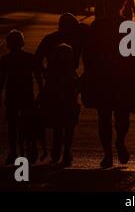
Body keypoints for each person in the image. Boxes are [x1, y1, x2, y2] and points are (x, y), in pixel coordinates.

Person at [84, 0, 135, 169]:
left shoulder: (97, 26)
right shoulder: (128, 26)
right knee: (121, 117)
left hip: (103, 78)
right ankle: (119, 142)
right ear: (123, 5)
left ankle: (108, 153)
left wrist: (88, 75)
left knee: (104, 117)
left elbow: (88, 55)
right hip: (124, 78)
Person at [35, 13, 82, 163]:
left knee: (58, 118)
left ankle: (58, 150)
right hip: (67, 82)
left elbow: (36, 61)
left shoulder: (50, 39)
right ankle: (66, 150)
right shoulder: (75, 40)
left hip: (54, 82)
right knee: (67, 119)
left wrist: (43, 77)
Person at [0, 30, 43, 165]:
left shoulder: (5, 59)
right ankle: (31, 148)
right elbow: (38, 76)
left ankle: (13, 152)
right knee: (29, 124)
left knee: (12, 126)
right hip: (27, 95)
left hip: (12, 95)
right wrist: (41, 91)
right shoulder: (30, 57)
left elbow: (2, 80)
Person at [40, 44, 80, 166]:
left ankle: (57, 151)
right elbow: (76, 88)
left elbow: (47, 88)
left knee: (58, 128)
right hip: (68, 103)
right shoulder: (70, 72)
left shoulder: (53, 71)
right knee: (68, 129)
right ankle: (66, 151)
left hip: (57, 103)